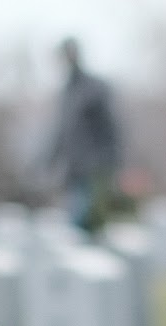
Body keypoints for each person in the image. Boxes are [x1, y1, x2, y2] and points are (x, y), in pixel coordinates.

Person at [46, 38, 122, 232]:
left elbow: (111, 129)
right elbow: (62, 132)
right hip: (74, 170)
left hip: (96, 171)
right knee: (75, 224)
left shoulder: (94, 88)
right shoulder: (67, 92)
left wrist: (111, 164)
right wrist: (49, 161)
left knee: (92, 224)